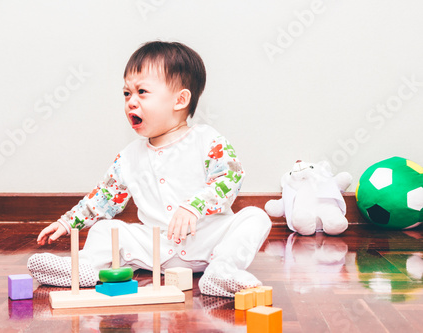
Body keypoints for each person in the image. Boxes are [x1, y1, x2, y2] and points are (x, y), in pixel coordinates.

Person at [27, 41, 272, 297]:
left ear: (180, 100)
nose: (131, 102)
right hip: (155, 246)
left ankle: (223, 270)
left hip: (207, 239)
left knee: (256, 217)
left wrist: (195, 206)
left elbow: (231, 177)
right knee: (107, 230)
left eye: (142, 92)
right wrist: (68, 222)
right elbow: (104, 198)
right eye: (126, 93)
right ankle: (84, 267)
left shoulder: (207, 139)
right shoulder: (129, 157)